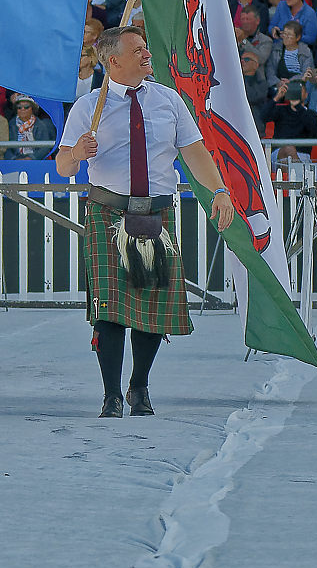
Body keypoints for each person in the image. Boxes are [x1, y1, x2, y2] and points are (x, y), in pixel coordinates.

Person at [57, 25, 236, 418]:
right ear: (113, 61)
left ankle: (139, 386)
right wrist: (78, 151)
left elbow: (195, 153)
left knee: (152, 305)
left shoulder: (169, 101)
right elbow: (63, 165)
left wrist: (219, 190)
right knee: (109, 308)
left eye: (145, 47)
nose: (146, 54)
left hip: (155, 213)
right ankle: (111, 395)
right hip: (107, 213)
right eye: (137, 49)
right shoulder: (89, 107)